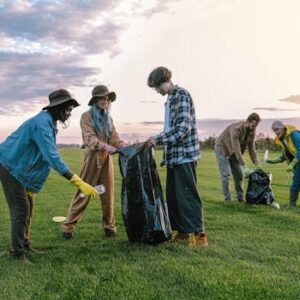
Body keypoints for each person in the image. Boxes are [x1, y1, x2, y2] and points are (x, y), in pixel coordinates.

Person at [0, 89, 98, 264]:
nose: (68, 114)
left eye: (70, 110)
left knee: (28, 207)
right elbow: (52, 156)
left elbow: (38, 156)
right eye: (67, 109)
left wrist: (30, 186)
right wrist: (78, 181)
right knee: (21, 210)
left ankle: (25, 244)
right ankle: (17, 254)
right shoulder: (42, 123)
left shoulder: (49, 123)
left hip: (18, 167)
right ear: (57, 107)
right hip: (8, 164)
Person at [145, 66, 207, 247]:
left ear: (165, 80)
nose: (156, 91)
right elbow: (170, 129)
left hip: (185, 155)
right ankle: (182, 232)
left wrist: (157, 139)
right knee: (174, 196)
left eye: (156, 87)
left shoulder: (181, 95)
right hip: (173, 156)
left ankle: (200, 234)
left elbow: (182, 129)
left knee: (187, 195)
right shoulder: (170, 99)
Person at [62, 85, 126, 239]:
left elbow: (114, 137)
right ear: (96, 100)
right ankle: (68, 227)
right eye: (103, 98)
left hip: (106, 161)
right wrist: (104, 145)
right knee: (84, 193)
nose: (106, 101)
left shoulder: (108, 118)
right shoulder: (86, 116)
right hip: (92, 158)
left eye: (108, 99)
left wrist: (124, 147)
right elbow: (89, 137)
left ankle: (109, 227)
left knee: (108, 194)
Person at [215, 113, 261, 202]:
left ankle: (240, 198)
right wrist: (244, 166)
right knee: (226, 175)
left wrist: (257, 164)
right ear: (247, 122)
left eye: (255, 126)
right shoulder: (237, 129)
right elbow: (237, 149)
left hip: (233, 152)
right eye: (253, 125)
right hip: (222, 148)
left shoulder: (252, 131)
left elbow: (252, 148)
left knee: (239, 175)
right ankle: (227, 199)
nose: (254, 128)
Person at [266, 121, 300, 207]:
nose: (276, 132)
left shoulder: (294, 134)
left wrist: (292, 164)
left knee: (295, 183)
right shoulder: (283, 139)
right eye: (274, 131)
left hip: (298, 162)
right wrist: (273, 161)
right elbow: (286, 154)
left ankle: (292, 206)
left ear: (282, 127)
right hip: (297, 163)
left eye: (277, 129)